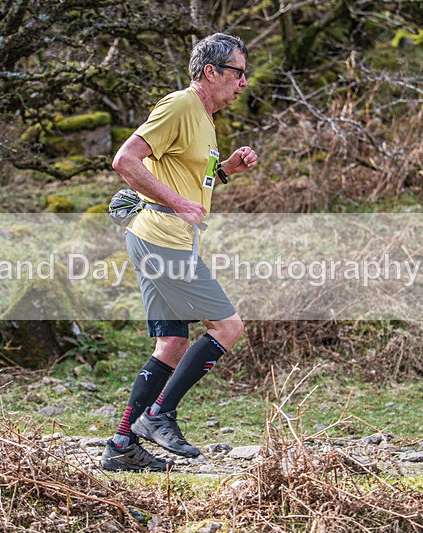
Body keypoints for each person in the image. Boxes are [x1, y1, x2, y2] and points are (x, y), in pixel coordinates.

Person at [101, 33, 259, 472]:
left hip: (159, 237)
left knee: (171, 343)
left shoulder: (205, 119)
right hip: (161, 238)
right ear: (212, 72)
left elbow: (194, 184)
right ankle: (159, 415)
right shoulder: (179, 106)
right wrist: (176, 203)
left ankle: (120, 445)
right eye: (238, 72)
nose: (243, 82)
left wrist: (226, 169)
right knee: (228, 326)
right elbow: (125, 160)